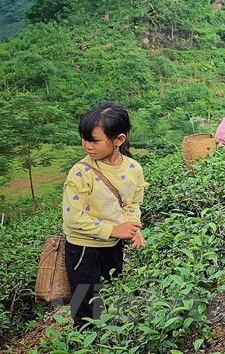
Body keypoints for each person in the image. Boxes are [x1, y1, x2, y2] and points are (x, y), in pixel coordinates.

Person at [63, 101, 147, 328]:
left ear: (119, 140)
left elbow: (132, 203)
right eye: (84, 138)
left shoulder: (132, 168)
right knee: (86, 306)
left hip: (113, 246)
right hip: (83, 249)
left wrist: (132, 228)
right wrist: (114, 230)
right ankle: (86, 342)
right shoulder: (80, 172)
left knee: (112, 294)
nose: (87, 145)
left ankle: (110, 338)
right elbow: (73, 219)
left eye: (94, 140)